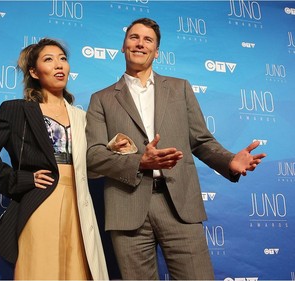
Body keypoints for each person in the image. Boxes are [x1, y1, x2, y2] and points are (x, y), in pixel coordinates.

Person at [85, 18, 266, 280]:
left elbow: (201, 141)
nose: (140, 43)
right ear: (123, 46)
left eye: (148, 40)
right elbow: (94, 156)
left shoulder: (180, 89)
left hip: (180, 205)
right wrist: (139, 162)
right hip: (127, 207)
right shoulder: (101, 99)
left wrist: (229, 161)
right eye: (134, 37)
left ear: (157, 51)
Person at [0, 38, 109, 280]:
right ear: (34, 72)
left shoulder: (82, 117)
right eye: (49, 59)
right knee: (39, 269)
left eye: (63, 59)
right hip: (40, 201)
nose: (59, 65)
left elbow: (92, 160)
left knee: (77, 271)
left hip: (79, 202)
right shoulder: (16, 109)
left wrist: (114, 149)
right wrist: (20, 179)